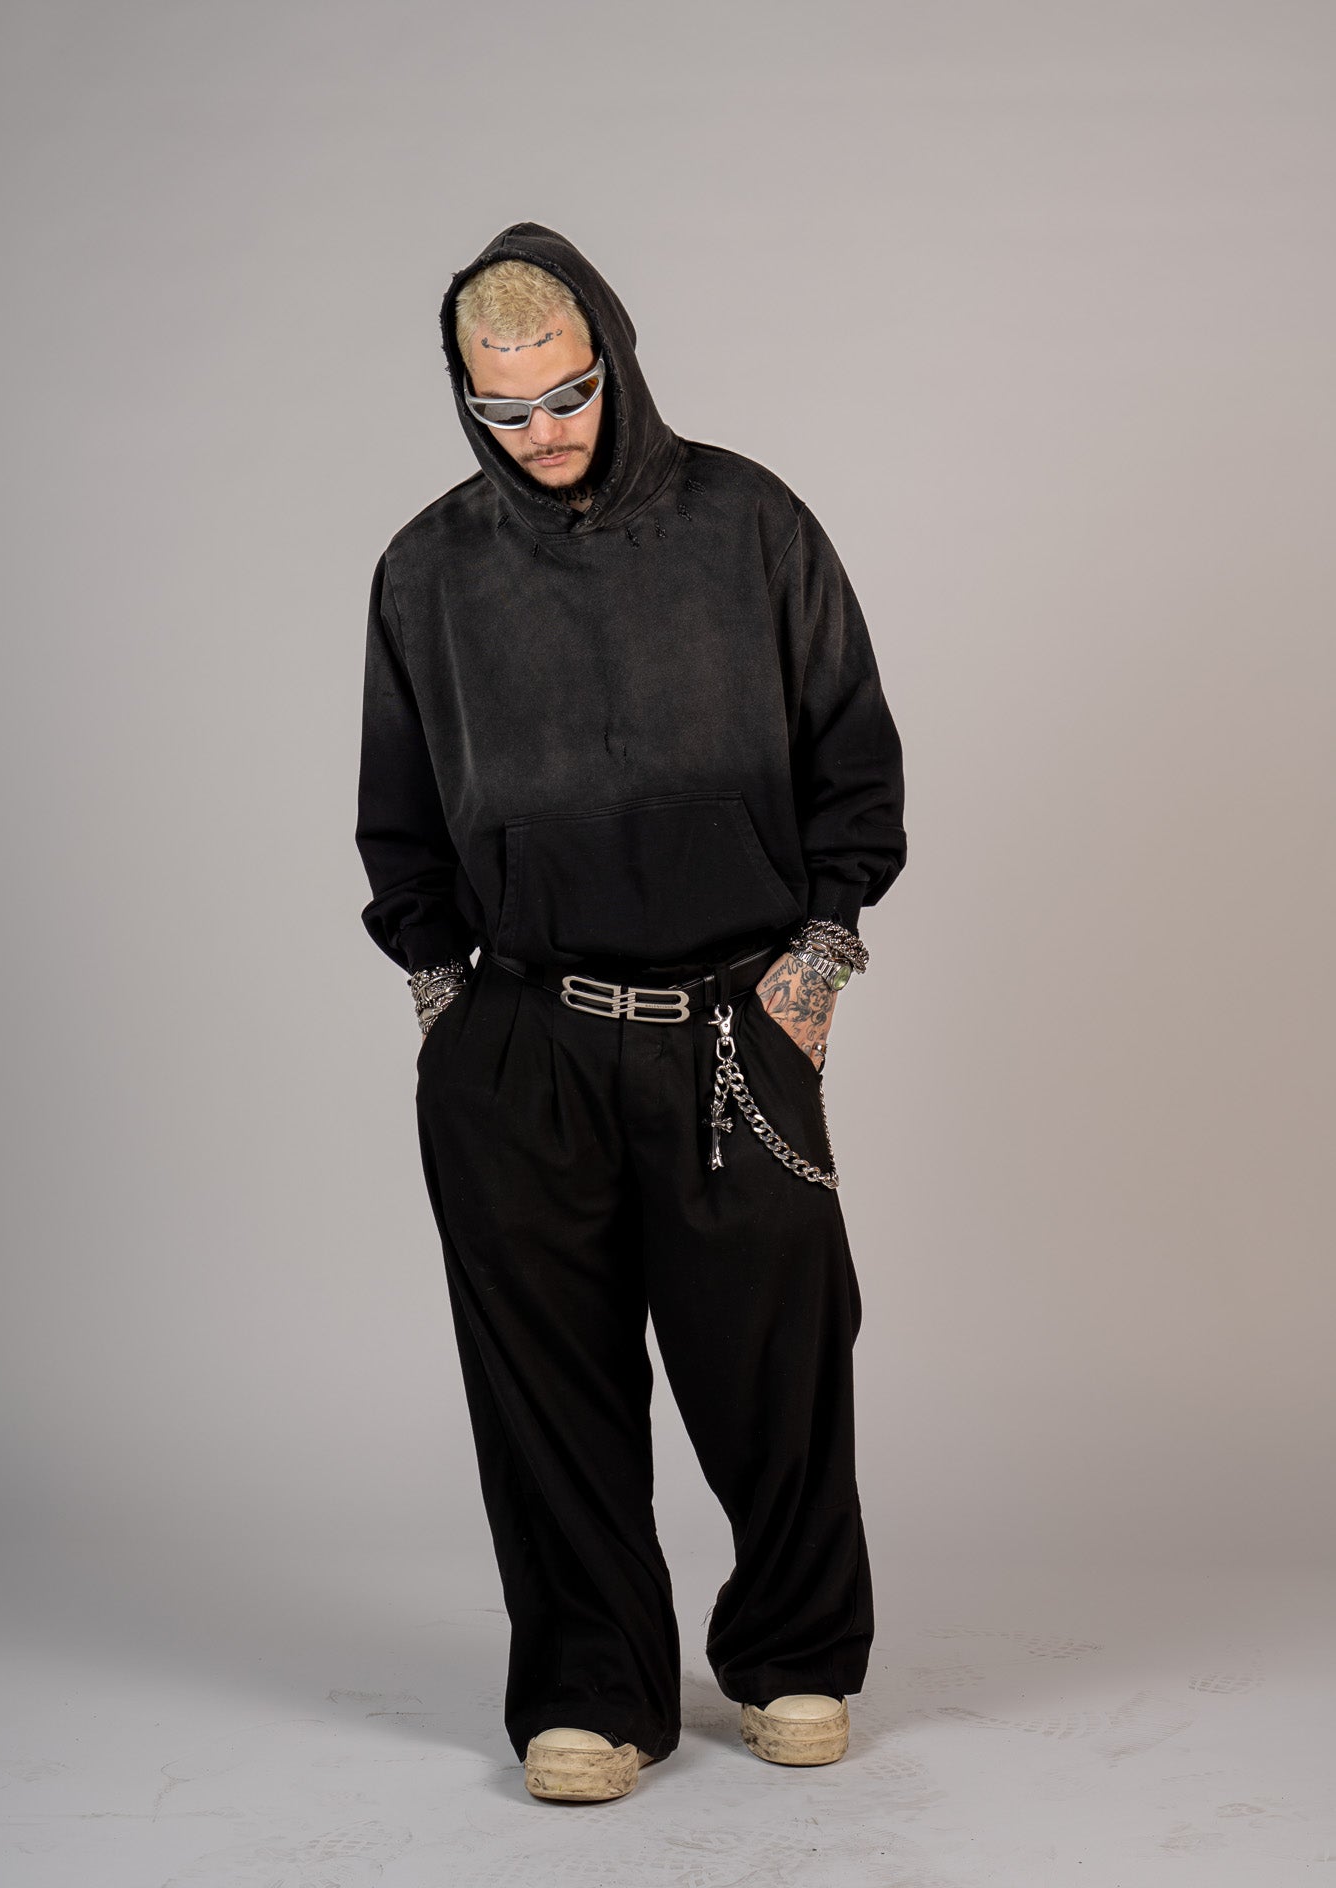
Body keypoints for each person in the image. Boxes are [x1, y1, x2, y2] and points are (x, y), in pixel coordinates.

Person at [355, 221, 907, 1803]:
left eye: (568, 393)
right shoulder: (426, 570)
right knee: (546, 1388)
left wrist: (816, 965)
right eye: (503, 409)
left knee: (777, 1358)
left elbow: (852, 757)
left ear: (613, 355)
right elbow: (400, 814)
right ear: (463, 396)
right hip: (522, 1032)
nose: (542, 432)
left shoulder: (749, 522)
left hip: (734, 1022)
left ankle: (793, 1653)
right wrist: (447, 1004)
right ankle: (590, 1688)